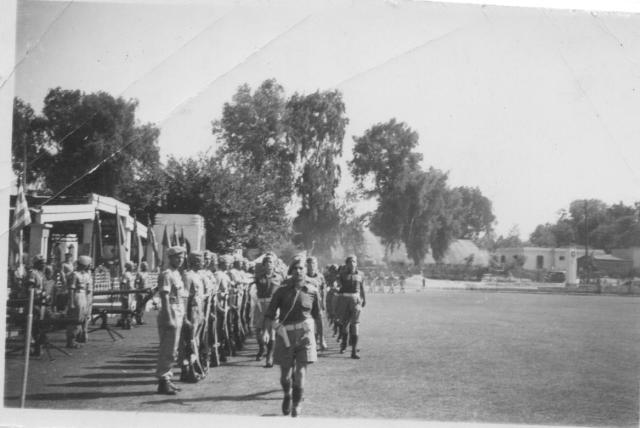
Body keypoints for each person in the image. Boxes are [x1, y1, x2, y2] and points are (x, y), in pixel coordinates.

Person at [263, 256, 322, 417]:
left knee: (301, 372)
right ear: (291, 271)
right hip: (285, 335)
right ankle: (288, 395)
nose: (298, 270)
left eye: (301, 268)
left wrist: (321, 337)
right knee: (285, 376)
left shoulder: (312, 290)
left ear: (305, 271)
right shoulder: (281, 291)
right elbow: (269, 314)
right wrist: (267, 332)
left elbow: (317, 316)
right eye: (295, 268)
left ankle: (296, 405)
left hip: (305, 334)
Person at [155, 246, 188, 395]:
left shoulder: (177, 273)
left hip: (178, 310)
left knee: (173, 349)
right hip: (171, 311)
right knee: (167, 349)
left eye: (182, 258)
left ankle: (168, 378)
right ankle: (163, 382)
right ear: (170, 258)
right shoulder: (166, 274)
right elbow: (165, 297)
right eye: (177, 257)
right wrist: (168, 317)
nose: (180, 260)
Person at [251, 253, 283, 366]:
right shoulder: (258, 276)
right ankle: (261, 348)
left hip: (274, 305)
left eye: (271, 262)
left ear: (274, 265)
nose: (269, 264)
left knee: (272, 331)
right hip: (261, 305)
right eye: (267, 263)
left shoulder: (279, 277)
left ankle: (269, 357)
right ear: (263, 265)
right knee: (258, 330)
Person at [180, 252, 206, 382]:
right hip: (191, 312)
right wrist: (185, 318)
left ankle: (192, 369)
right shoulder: (187, 276)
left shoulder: (198, 275)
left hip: (198, 311)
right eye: (200, 260)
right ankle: (190, 370)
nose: (202, 263)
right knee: (189, 342)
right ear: (193, 261)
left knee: (195, 341)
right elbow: (184, 298)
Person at [336, 255, 366, 359]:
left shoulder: (361, 274)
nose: (352, 264)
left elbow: (362, 288)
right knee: (344, 325)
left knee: (355, 324)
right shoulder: (342, 275)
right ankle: (344, 343)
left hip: (356, 301)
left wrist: (364, 299)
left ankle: (354, 351)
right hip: (344, 300)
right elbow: (338, 286)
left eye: (354, 261)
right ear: (347, 264)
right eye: (350, 262)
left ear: (356, 263)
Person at [66, 255, 93, 348]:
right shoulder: (74, 274)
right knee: (75, 318)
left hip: (84, 296)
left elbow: (88, 289)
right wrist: (71, 302)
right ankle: (71, 340)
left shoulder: (87, 275)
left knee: (83, 318)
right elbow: (71, 289)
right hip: (77, 296)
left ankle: (79, 337)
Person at [305, 257, 328, 350]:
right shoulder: (304, 276)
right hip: (306, 302)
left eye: (313, 263)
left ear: (316, 264)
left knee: (319, 320)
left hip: (317, 301)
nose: (312, 265)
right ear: (307, 265)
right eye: (310, 263)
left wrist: (323, 302)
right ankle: (309, 341)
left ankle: (322, 339)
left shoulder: (320, 276)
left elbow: (323, 290)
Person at [118, 262, 136, 329]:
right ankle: (126, 323)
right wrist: (123, 294)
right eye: (132, 266)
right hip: (126, 294)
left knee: (130, 308)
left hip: (130, 294)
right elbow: (123, 284)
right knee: (126, 309)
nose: (133, 268)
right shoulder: (126, 275)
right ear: (129, 267)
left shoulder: (130, 274)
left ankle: (127, 323)